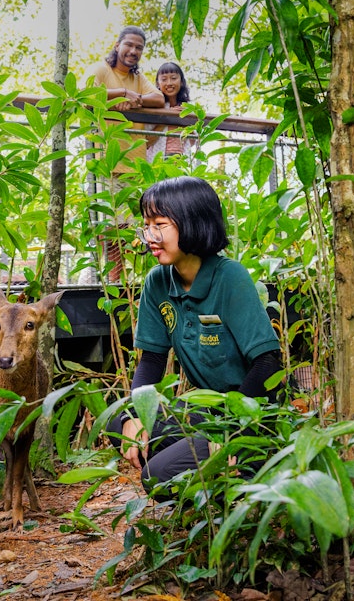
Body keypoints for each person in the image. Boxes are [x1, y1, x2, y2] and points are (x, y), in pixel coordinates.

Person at [107, 176, 282, 491]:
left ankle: (240, 470)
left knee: (156, 477)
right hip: (205, 413)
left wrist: (233, 432)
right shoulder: (157, 283)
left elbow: (268, 362)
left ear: (192, 223)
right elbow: (151, 361)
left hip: (251, 418)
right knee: (118, 424)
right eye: (146, 226)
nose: (149, 236)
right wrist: (135, 414)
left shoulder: (230, 277)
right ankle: (205, 470)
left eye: (159, 225)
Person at [85, 27, 165, 282]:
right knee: (112, 226)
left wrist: (134, 98)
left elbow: (159, 99)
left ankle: (127, 281)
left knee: (133, 225)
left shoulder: (137, 77)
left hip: (136, 161)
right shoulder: (102, 70)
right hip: (110, 161)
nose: (133, 51)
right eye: (129, 45)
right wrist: (120, 94)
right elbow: (84, 94)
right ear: (117, 45)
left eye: (139, 47)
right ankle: (114, 280)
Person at [149, 61, 192, 158]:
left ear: (181, 82)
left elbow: (193, 141)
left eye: (173, 78)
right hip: (158, 159)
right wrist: (168, 118)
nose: (169, 83)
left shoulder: (187, 108)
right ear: (158, 83)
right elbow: (147, 142)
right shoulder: (155, 107)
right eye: (164, 79)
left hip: (181, 160)